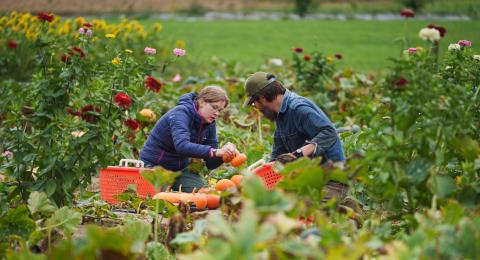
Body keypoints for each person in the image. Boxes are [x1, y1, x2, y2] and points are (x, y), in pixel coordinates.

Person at [243, 72, 347, 202]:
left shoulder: (298, 109)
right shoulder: (281, 117)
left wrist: (300, 153)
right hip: (306, 181)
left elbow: (329, 132)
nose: (256, 108)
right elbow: (276, 159)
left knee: (302, 212)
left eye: (254, 104)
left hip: (331, 182)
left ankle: (345, 205)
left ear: (262, 98)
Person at [140, 86, 237, 193]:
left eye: (219, 110)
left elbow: (210, 163)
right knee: (159, 201)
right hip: (154, 167)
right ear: (202, 101)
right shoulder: (180, 113)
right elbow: (182, 146)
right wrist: (217, 152)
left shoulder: (209, 123)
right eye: (214, 107)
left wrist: (225, 155)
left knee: (203, 196)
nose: (216, 113)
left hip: (180, 169)